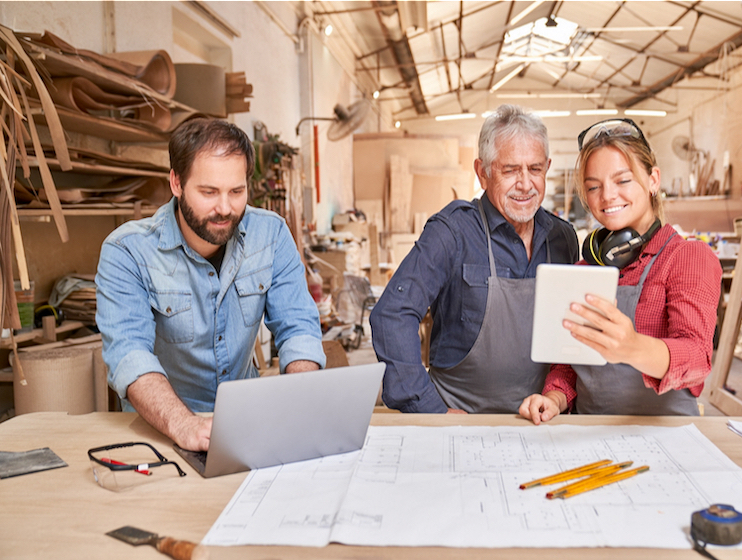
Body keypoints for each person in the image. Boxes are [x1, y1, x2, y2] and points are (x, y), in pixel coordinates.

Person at [96, 118, 325, 450]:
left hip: (247, 423)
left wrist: (302, 398)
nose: (225, 208)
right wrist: (185, 425)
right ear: (176, 182)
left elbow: (298, 327)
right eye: (208, 192)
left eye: (236, 191)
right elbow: (130, 355)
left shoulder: (271, 235)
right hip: (161, 430)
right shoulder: (126, 252)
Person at [370, 105, 579, 414]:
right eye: (510, 170)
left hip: (538, 420)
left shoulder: (563, 239)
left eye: (534, 169)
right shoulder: (452, 232)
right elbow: (392, 315)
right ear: (483, 172)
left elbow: (570, 341)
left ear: (547, 167)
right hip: (459, 421)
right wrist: (430, 409)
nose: (525, 184)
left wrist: (559, 398)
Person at [520, 118, 722, 423]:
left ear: (653, 179)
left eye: (623, 180)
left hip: (666, 436)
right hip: (589, 434)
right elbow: (568, 365)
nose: (607, 196)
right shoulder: (585, 268)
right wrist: (554, 399)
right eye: (593, 187)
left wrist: (631, 347)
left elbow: (697, 359)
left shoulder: (687, 257)